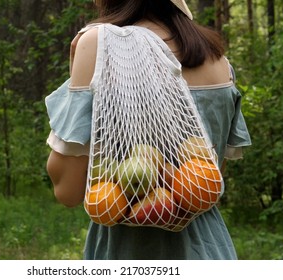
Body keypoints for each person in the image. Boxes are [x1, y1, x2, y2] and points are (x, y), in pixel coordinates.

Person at [45, 0, 251, 259]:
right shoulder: (217, 57)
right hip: (208, 250)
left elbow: (68, 191)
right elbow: (206, 185)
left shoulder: (100, 44)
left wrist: (78, 71)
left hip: (128, 252)